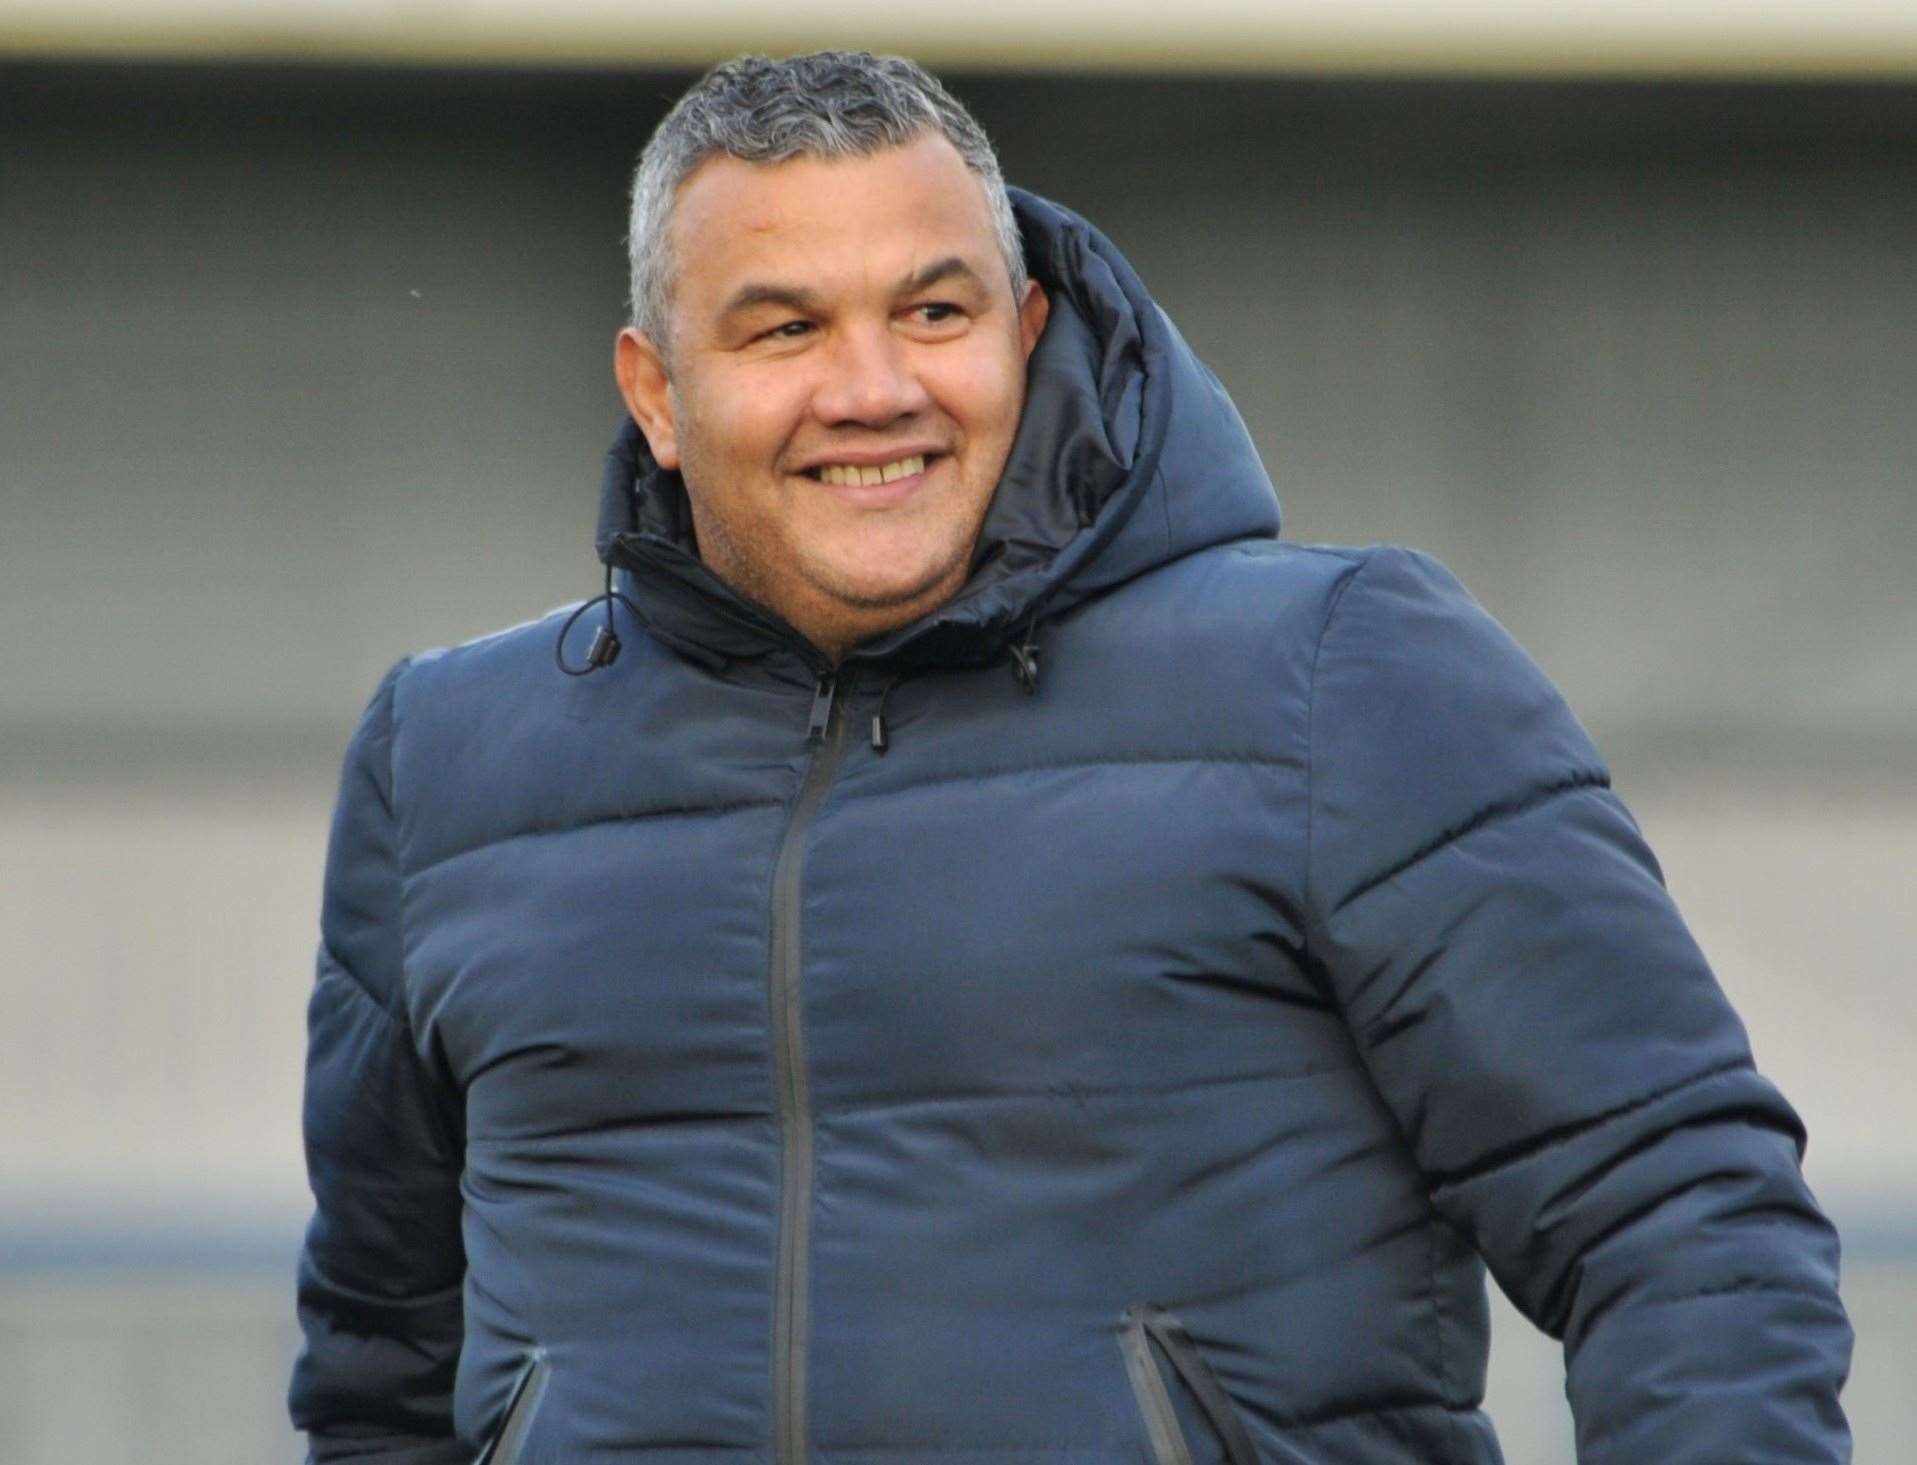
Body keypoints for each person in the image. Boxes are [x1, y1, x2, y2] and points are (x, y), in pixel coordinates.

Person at [288, 50, 1852, 1465]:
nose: (873, 388)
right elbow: (381, 1373)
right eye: (783, 329)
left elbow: (1678, 1216)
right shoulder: (449, 763)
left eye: (934, 310)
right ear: (658, 394)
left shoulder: (1341, 675)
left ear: (1025, 333)